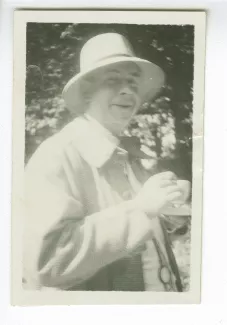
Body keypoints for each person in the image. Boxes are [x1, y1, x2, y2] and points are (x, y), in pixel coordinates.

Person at [24, 32, 185, 292]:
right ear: (87, 92)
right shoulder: (57, 155)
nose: (126, 90)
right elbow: (47, 263)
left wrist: (168, 213)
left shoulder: (128, 154)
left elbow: (138, 236)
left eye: (133, 83)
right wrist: (142, 210)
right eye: (112, 80)